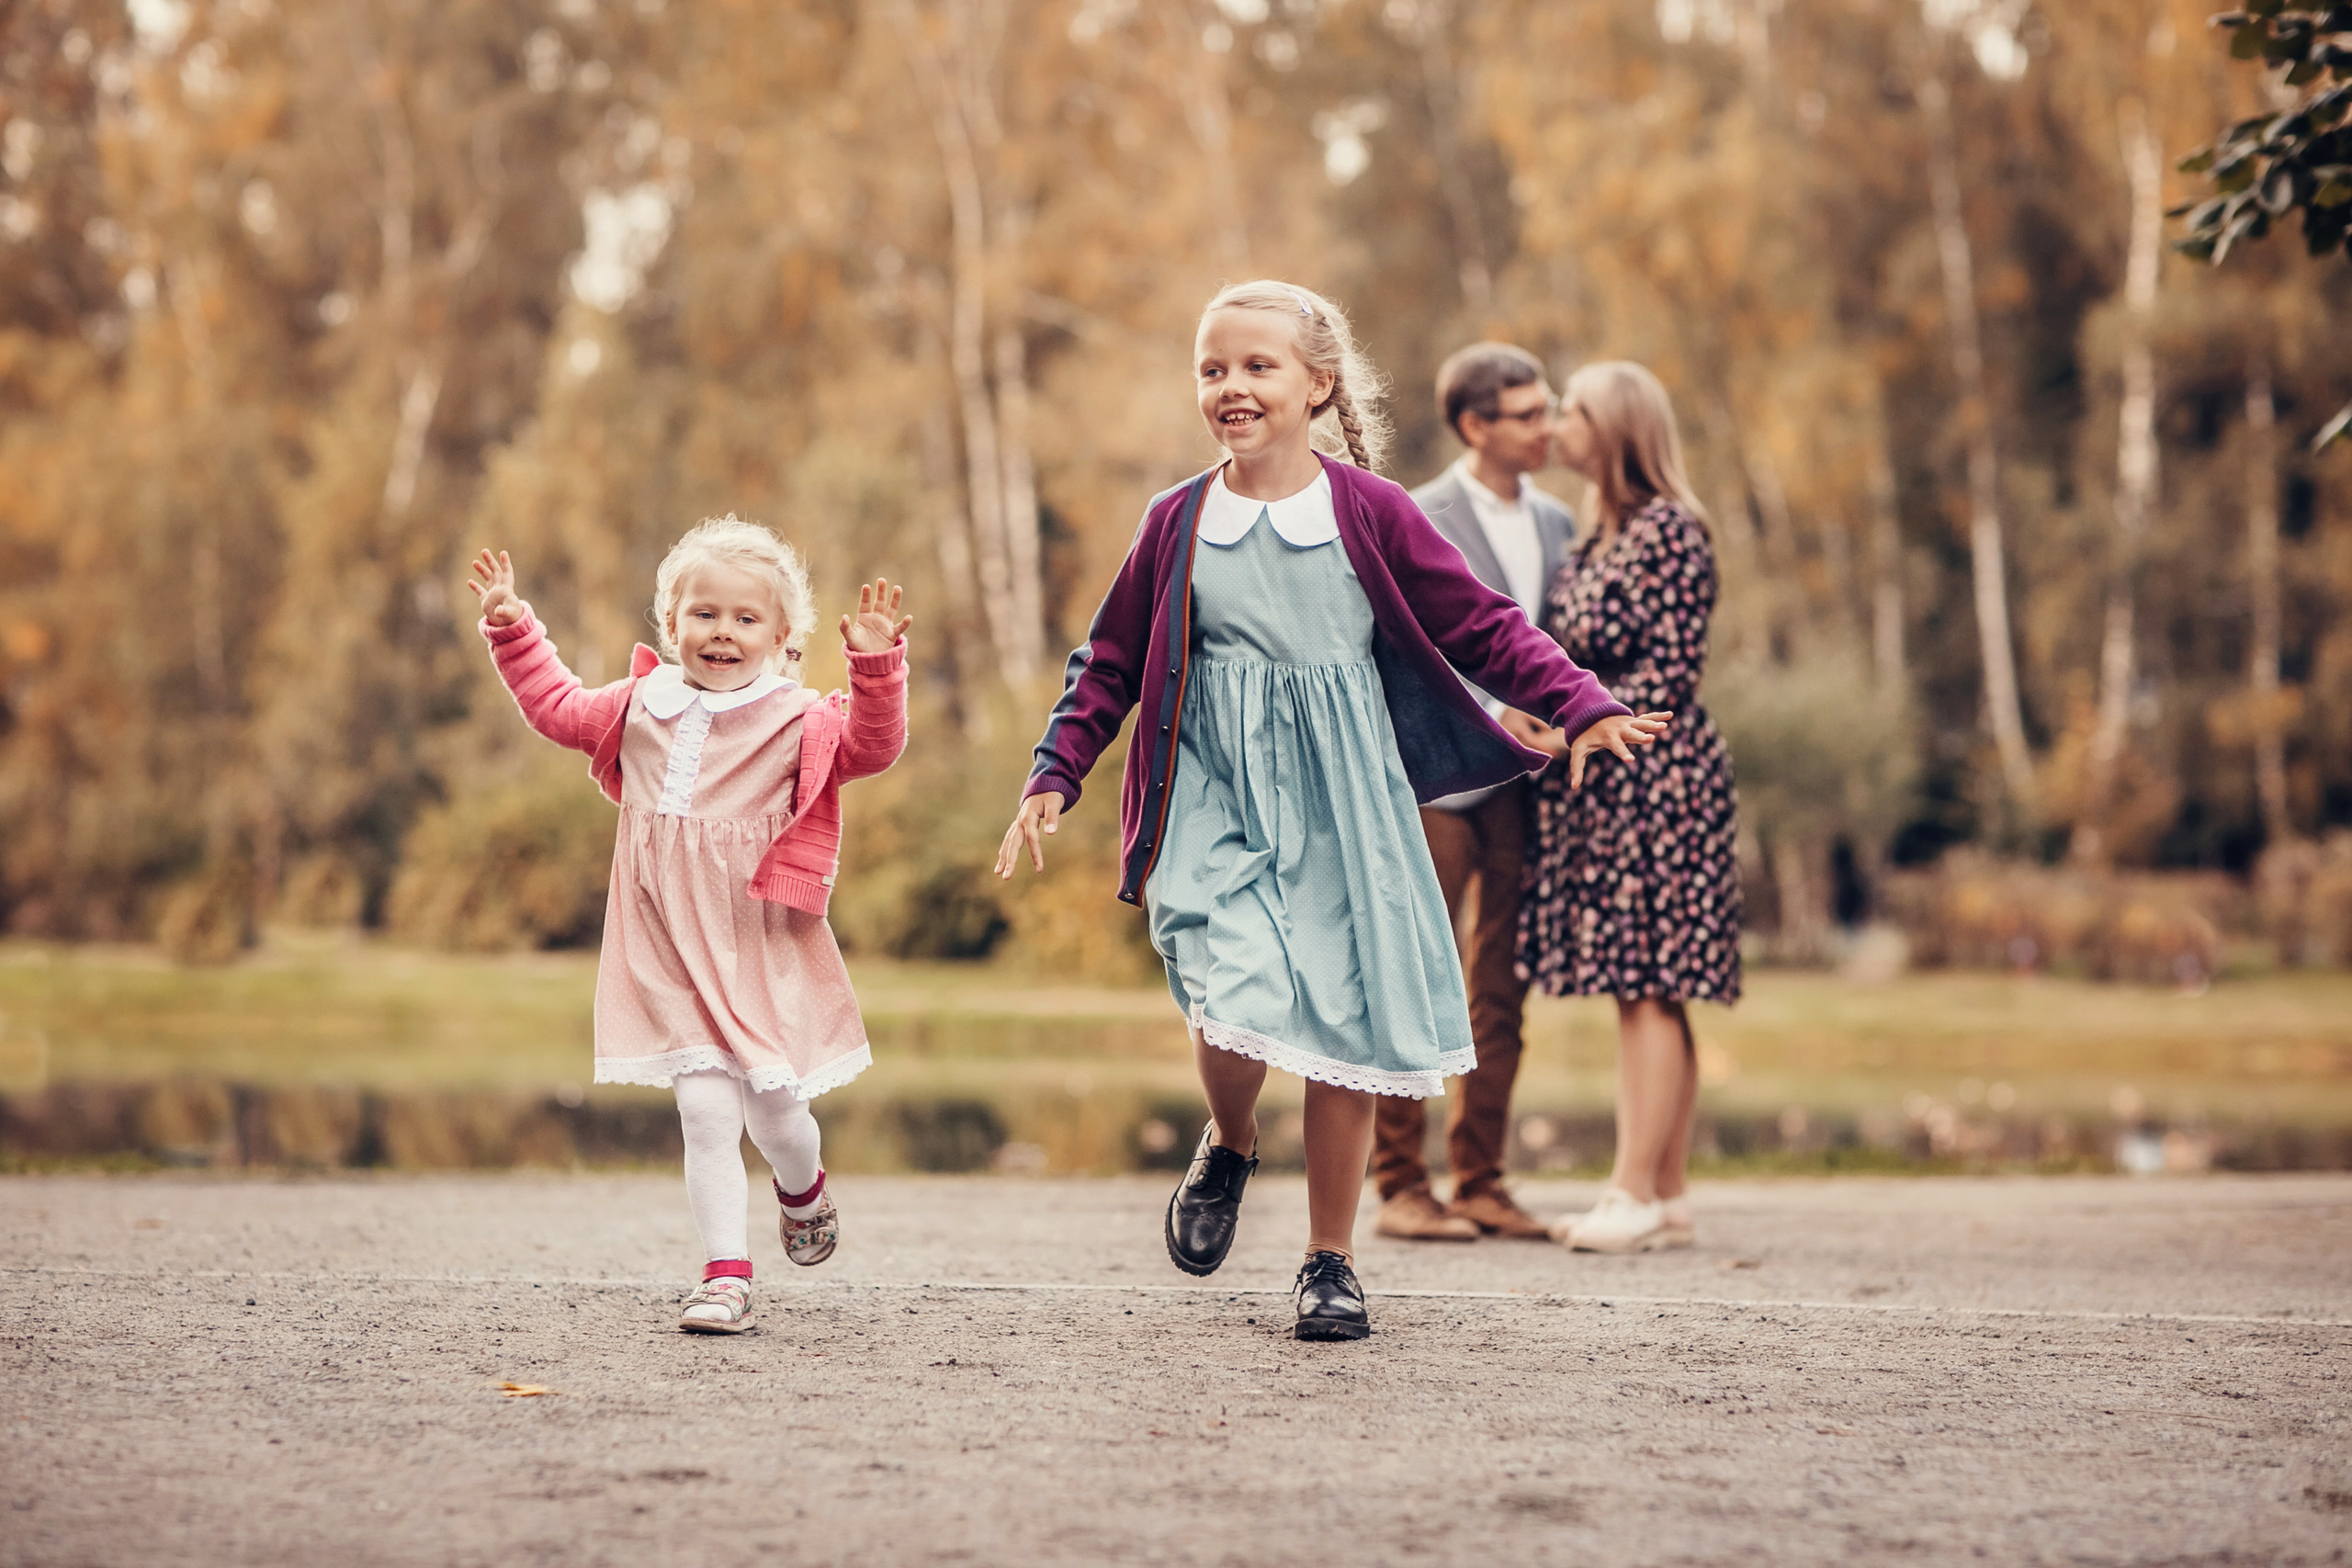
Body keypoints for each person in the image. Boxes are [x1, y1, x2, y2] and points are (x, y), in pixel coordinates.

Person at [993, 280, 1667, 1341]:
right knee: (1232, 997)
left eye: (1257, 367)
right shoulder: (1176, 519)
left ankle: (1329, 1261)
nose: (1231, 387)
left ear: (1317, 386)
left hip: (1344, 799)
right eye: (1213, 368)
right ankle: (1232, 1141)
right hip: (1215, 791)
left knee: (1338, 1024)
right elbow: (1110, 660)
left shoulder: (1370, 512)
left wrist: (1579, 704)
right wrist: (1053, 774)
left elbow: (1484, 629)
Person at [467, 519, 911, 1332]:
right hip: (666, 943)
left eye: (746, 619)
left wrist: (877, 666)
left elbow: (872, 746)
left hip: (756, 941)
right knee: (706, 1111)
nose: (723, 632)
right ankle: (725, 1277)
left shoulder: (797, 716)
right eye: (704, 614)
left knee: (778, 1115)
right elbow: (557, 707)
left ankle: (803, 1188)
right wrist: (512, 629)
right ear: (671, 626)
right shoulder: (641, 706)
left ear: (781, 637)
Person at [1518, 363, 1741, 1255]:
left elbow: (1669, 675)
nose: (1556, 423)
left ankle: (1629, 1191)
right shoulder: (1592, 537)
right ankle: (1666, 1190)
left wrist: (1573, 723)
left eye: (1571, 410)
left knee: (1647, 981)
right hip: (1608, 780)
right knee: (1645, 986)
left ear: (1614, 430)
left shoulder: (1672, 532)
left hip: (1662, 776)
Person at [1373, 343, 1582, 1245]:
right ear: (1474, 426)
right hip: (1438, 779)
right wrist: (1504, 708)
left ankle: (1483, 1179)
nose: (1549, 426)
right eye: (1529, 414)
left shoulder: (1562, 526)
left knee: (1499, 984)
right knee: (1416, 971)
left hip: (1524, 789)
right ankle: (1398, 1185)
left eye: (1548, 408)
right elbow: (1406, 650)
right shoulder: (1417, 516)